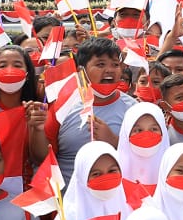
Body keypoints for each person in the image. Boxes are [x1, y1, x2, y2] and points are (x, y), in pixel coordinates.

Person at [30, 37, 135, 181]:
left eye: (115, 64)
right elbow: (41, 158)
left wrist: (114, 142)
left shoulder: (134, 109)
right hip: (69, 200)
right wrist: (37, 130)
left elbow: (144, 162)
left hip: (115, 199)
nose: (109, 70)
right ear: (82, 70)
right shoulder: (64, 104)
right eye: (100, 64)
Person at [116, 102, 168, 194]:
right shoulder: (112, 173)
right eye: (138, 130)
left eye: (153, 129)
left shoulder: (174, 171)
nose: (146, 135)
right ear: (126, 133)